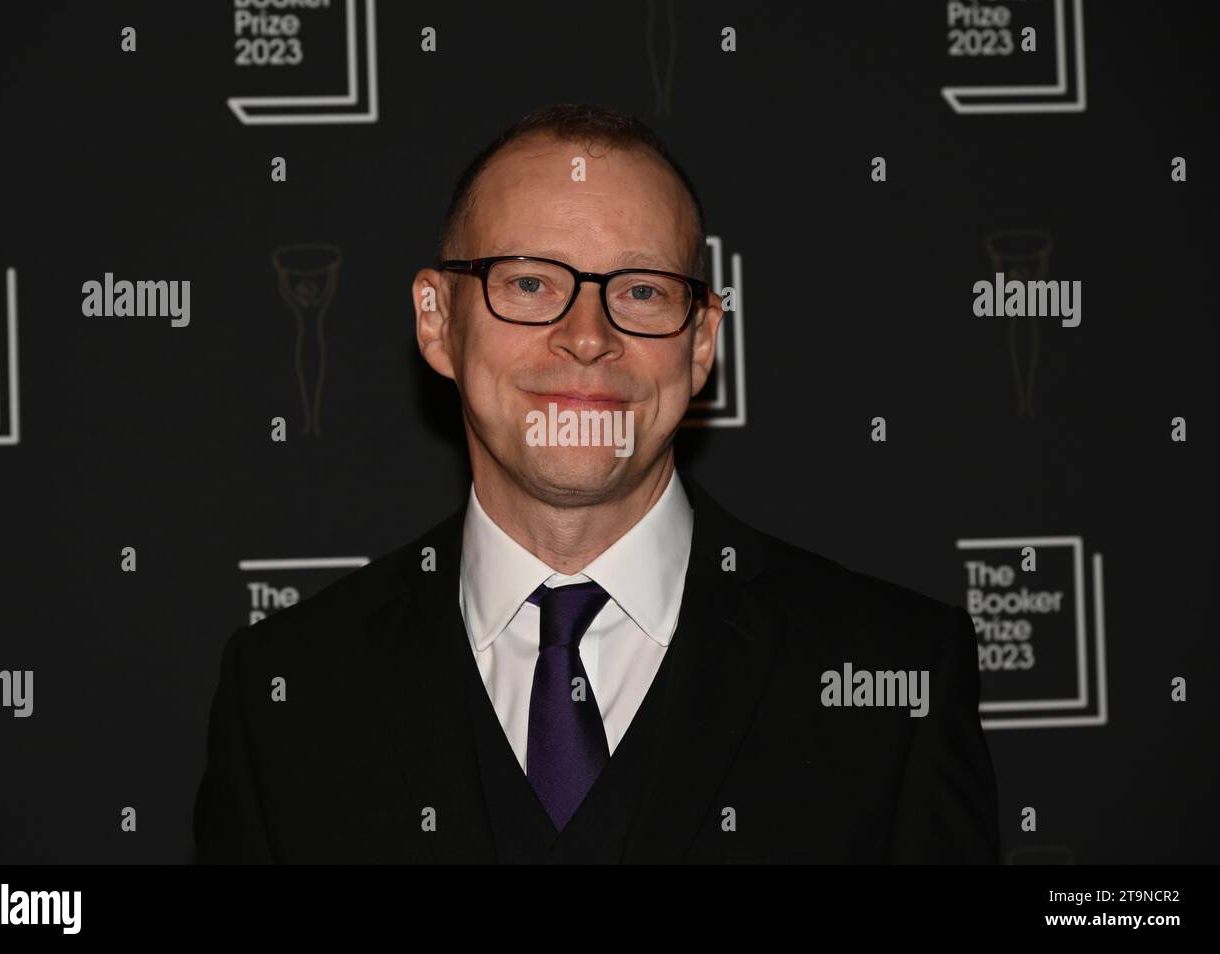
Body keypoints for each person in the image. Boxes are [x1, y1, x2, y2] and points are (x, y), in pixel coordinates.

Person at [193, 103, 999, 864]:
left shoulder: (893, 677)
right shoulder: (286, 693)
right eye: (530, 283)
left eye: (641, 291)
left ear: (701, 342)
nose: (587, 337)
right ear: (437, 321)